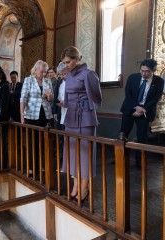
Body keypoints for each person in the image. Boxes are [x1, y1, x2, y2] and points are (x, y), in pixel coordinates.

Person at [60, 46, 102, 202]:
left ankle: (84, 188)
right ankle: (76, 185)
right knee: (72, 153)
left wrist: (84, 105)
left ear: (77, 59)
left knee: (85, 154)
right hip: (71, 117)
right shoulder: (68, 75)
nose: (66, 65)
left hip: (85, 118)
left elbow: (97, 98)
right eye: (64, 62)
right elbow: (67, 97)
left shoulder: (89, 74)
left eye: (68, 62)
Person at [118, 59, 164, 168]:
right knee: (123, 135)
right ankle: (120, 158)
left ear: (153, 70)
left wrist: (143, 109)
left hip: (145, 112)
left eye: (147, 71)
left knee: (142, 137)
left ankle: (140, 161)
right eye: (142, 70)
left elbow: (156, 98)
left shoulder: (159, 81)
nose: (144, 73)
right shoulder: (132, 78)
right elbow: (128, 95)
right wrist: (136, 107)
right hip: (129, 109)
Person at [20, 60, 54, 175]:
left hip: (45, 115)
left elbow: (50, 100)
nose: (44, 74)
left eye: (45, 72)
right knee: (31, 142)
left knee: (42, 142)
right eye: (42, 72)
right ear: (35, 70)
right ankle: (31, 167)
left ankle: (40, 165)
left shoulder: (48, 81)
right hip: (31, 115)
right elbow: (23, 99)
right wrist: (22, 116)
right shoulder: (28, 80)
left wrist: (50, 96)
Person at [52, 62, 68, 130]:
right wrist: (54, 111)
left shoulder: (74, 82)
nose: (62, 76)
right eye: (60, 75)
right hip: (61, 111)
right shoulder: (59, 81)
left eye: (64, 74)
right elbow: (56, 96)